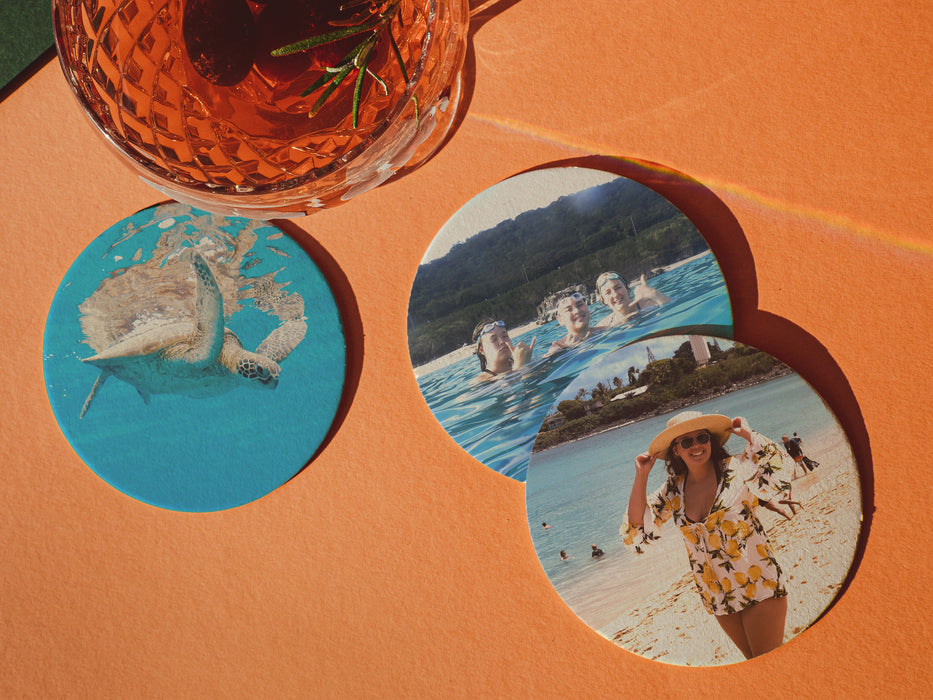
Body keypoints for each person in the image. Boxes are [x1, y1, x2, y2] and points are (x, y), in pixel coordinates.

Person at [621, 411, 792, 659]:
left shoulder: (737, 468)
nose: (697, 446)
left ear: (711, 440)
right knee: (754, 667)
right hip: (719, 597)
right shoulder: (673, 489)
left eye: (702, 437)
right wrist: (641, 475)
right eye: (686, 442)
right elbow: (637, 529)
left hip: (760, 584)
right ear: (676, 451)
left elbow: (778, 469)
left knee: (768, 666)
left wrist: (748, 434)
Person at [593, 271, 671, 328]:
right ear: (604, 301)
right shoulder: (605, 325)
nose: (615, 294)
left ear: (627, 289)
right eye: (608, 293)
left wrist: (654, 294)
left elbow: (672, 306)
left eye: (618, 288)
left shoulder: (649, 305)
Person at [471, 318, 536, 380]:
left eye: (505, 336)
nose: (502, 341)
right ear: (482, 350)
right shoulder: (482, 381)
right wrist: (520, 365)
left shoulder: (523, 360)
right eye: (494, 340)